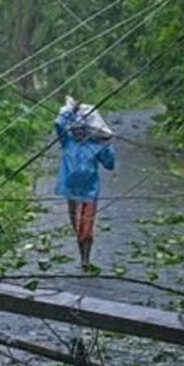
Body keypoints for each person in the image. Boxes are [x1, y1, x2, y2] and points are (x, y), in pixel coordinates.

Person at [54, 98, 116, 269]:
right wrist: (69, 110)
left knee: (86, 227)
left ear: (87, 130)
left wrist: (107, 145)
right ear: (72, 130)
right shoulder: (67, 142)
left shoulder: (94, 146)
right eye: (76, 129)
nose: (78, 133)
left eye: (82, 130)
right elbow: (58, 123)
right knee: (77, 226)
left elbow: (110, 164)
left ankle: (85, 260)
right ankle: (82, 251)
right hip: (71, 191)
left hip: (90, 192)